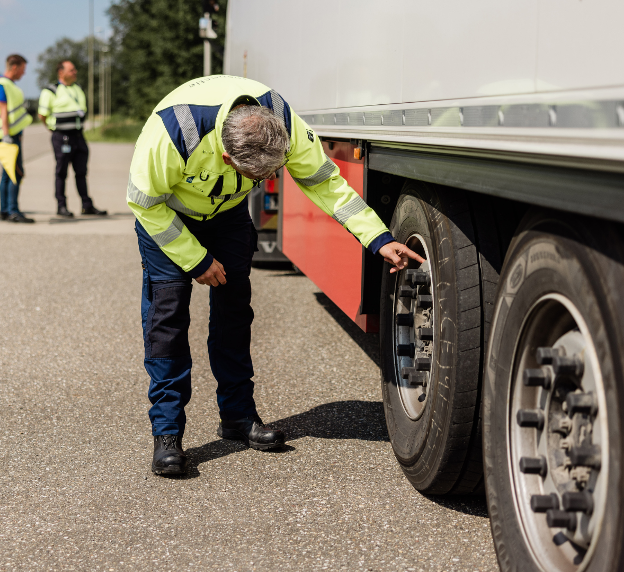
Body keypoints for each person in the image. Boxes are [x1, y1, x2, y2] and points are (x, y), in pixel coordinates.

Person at [127, 75, 425, 476]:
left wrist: (378, 238)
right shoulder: (172, 133)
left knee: (234, 316)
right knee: (168, 321)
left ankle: (238, 417)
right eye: (257, 178)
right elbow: (144, 202)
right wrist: (196, 260)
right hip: (166, 217)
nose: (265, 184)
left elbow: (325, 184)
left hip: (226, 216)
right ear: (228, 159)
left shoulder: (280, 122)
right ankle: (167, 437)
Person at [37, 60, 107, 217]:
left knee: (81, 172)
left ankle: (86, 205)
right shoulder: (51, 91)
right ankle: (61, 206)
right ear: (61, 72)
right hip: (62, 137)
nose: (75, 72)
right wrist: (52, 129)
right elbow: (42, 115)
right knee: (61, 172)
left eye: (75, 70)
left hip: (78, 136)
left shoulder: (78, 88)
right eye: (71, 70)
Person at [0, 54, 35, 223]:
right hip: (7, 137)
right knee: (16, 173)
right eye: (22, 69)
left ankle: (5, 211)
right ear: (14, 67)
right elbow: (3, 110)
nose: (23, 73)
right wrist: (7, 135)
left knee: (8, 174)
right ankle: (12, 210)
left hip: (10, 135)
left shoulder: (7, 85)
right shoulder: (3, 85)